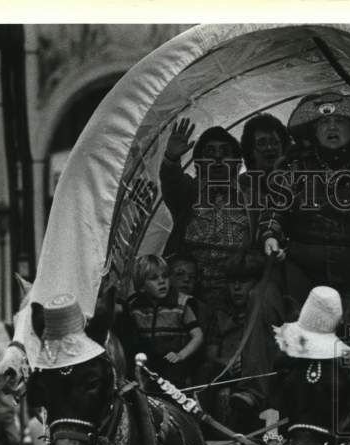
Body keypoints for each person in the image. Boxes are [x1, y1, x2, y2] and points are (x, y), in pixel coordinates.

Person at [259, 92, 350, 328]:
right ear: (314, 130)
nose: (332, 127)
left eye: (340, 121)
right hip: (302, 266)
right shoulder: (295, 167)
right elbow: (274, 208)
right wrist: (270, 235)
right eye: (324, 122)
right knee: (300, 337)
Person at [160, 120, 249, 317]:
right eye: (210, 154)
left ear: (237, 163)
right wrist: (171, 159)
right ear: (199, 165)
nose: (217, 158)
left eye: (225, 153)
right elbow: (171, 181)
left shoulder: (250, 199)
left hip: (236, 292)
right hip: (192, 291)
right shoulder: (188, 193)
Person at [203, 255, 284, 430]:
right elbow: (211, 352)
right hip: (226, 367)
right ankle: (205, 427)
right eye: (232, 282)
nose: (237, 288)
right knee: (207, 372)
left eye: (244, 282)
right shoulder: (221, 312)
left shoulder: (263, 308)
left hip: (255, 370)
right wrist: (227, 362)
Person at [123, 254, 204, 387]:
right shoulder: (134, 307)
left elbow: (198, 336)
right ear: (142, 286)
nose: (162, 281)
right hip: (146, 366)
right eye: (154, 278)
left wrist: (181, 355)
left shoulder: (181, 303)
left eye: (165, 276)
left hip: (173, 368)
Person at [238, 113, 292, 246]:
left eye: (274, 142)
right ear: (250, 149)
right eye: (262, 143)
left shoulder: (295, 181)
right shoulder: (241, 185)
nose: (269, 148)